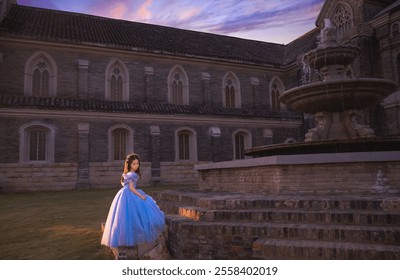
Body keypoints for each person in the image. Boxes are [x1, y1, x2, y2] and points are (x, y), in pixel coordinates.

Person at [101, 153, 165, 248]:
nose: (136, 166)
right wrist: (141, 196)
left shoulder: (127, 174)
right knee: (132, 214)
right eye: (134, 164)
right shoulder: (131, 175)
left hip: (124, 193)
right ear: (129, 164)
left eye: (137, 164)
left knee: (124, 216)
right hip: (129, 193)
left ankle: (123, 236)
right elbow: (131, 188)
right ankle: (132, 235)